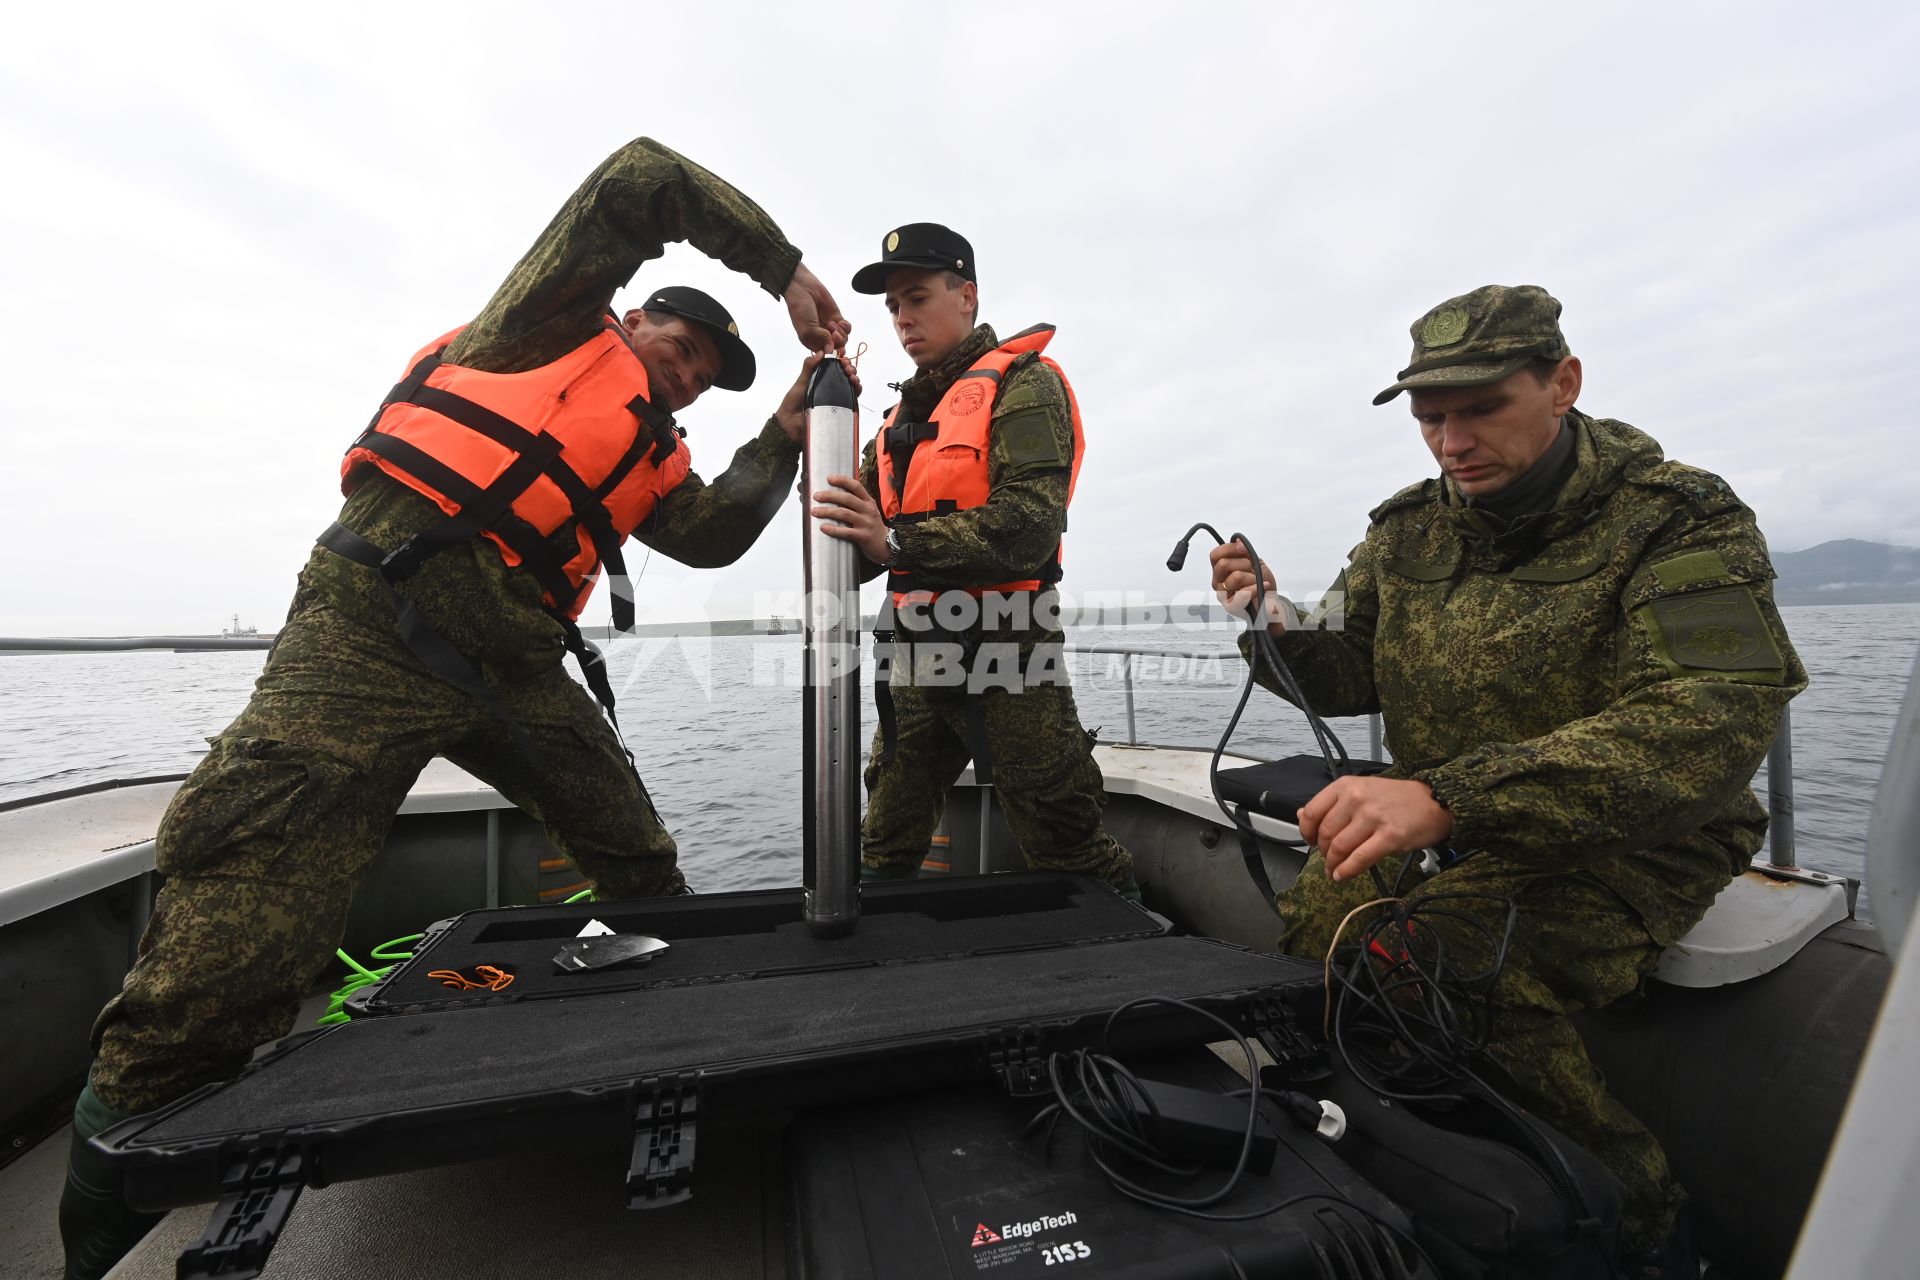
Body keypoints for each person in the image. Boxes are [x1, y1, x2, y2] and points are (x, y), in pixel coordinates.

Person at [61, 136, 849, 1280]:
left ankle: (664, 1056)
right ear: (631, 318)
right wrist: (778, 268)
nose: (684, 378)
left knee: (638, 855)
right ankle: (103, 1202)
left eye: (701, 377)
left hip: (517, 661)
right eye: (680, 350)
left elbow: (717, 534)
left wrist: (779, 434)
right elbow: (639, 177)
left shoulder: (656, 454)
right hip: (372, 623)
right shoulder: (548, 320)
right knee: (242, 924)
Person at [1208, 284, 1805, 1274]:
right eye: (1431, 417)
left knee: (1440, 959)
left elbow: (1710, 721)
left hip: (1641, 832)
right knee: (1320, 935)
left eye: (1481, 407)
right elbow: (1343, 669)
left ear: (1562, 383)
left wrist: (1451, 796)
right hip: (1456, 815)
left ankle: (1647, 1232)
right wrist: (1270, 617)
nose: (1452, 440)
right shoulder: (1409, 532)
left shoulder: (1674, 518)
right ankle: (1432, 1162)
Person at [808, 223, 1136, 893]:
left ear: (967, 297)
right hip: (914, 661)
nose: (903, 318)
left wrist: (897, 541)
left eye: (918, 297)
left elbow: (1032, 527)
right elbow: (855, 546)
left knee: (1066, 840)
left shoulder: (1026, 384)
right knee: (883, 841)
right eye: (893, 305)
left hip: (1010, 657)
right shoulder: (893, 423)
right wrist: (818, 425)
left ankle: (1132, 958)